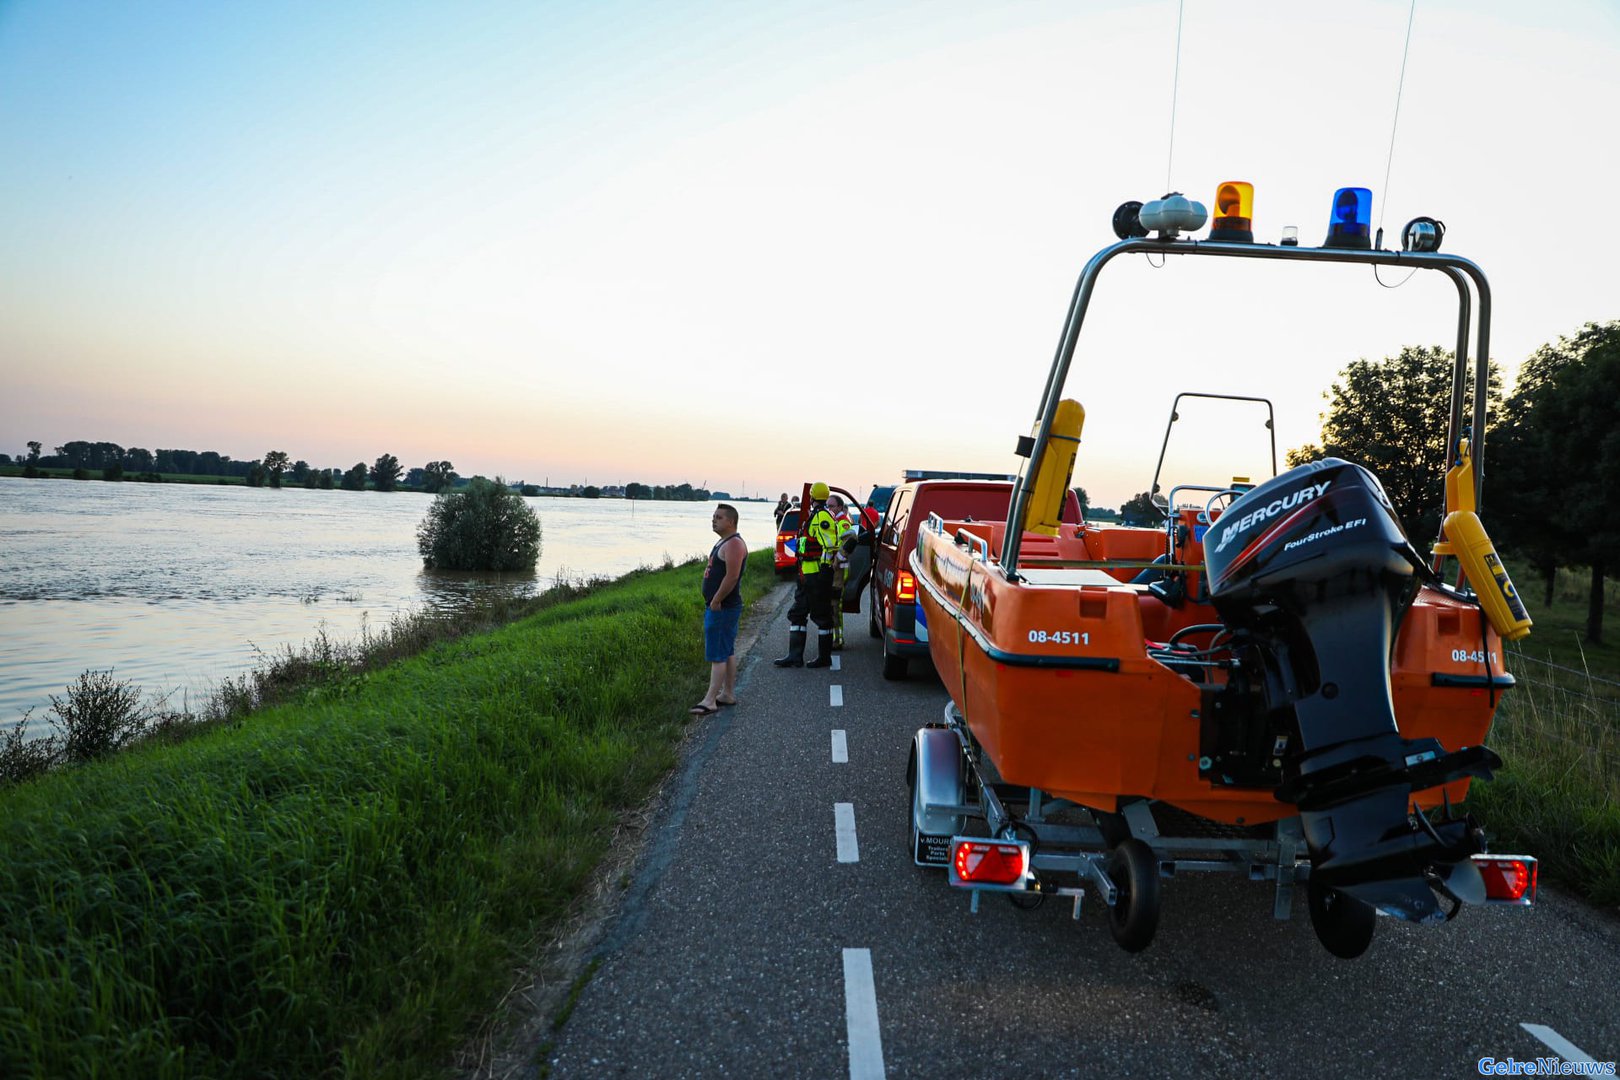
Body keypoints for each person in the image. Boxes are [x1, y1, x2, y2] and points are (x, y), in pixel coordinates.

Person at [774, 482, 841, 668]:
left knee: (822, 616)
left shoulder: (821, 517)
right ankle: (795, 656)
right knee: (798, 613)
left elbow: (830, 545)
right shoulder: (814, 516)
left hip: (817, 575)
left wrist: (825, 569)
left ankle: (824, 658)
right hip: (807, 574)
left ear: (812, 497)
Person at [692, 503, 746, 716]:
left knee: (717, 654)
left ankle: (710, 700)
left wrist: (716, 600)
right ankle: (728, 694)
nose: (714, 520)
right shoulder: (724, 542)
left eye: (719, 517)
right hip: (723, 606)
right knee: (727, 650)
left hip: (723, 607)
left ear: (731, 521)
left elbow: (732, 576)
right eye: (714, 516)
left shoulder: (733, 544)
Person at [824, 494, 857, 648]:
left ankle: (838, 639)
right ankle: (835, 638)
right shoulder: (834, 521)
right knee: (832, 604)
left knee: (835, 605)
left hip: (840, 570)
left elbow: (852, 539)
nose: (828, 508)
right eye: (827, 506)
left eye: (831, 506)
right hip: (834, 570)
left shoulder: (842, 521)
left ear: (839, 507)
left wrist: (838, 557)